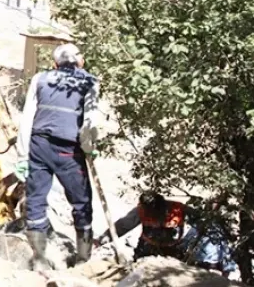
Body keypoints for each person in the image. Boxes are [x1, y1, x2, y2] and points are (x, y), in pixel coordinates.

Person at [15, 43, 100, 271]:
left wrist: (22, 153)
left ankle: (39, 259)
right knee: (81, 202)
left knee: (36, 199)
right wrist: (89, 147)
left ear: (55, 63)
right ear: (79, 62)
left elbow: (27, 116)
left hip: (39, 145)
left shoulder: (40, 79)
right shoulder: (90, 81)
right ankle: (83, 260)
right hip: (69, 150)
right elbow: (90, 121)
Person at [96, 191, 239, 278]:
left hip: (173, 250)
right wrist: (103, 239)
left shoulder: (179, 209)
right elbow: (122, 226)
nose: (154, 215)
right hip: (146, 248)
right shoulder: (140, 211)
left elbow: (206, 225)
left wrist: (219, 263)